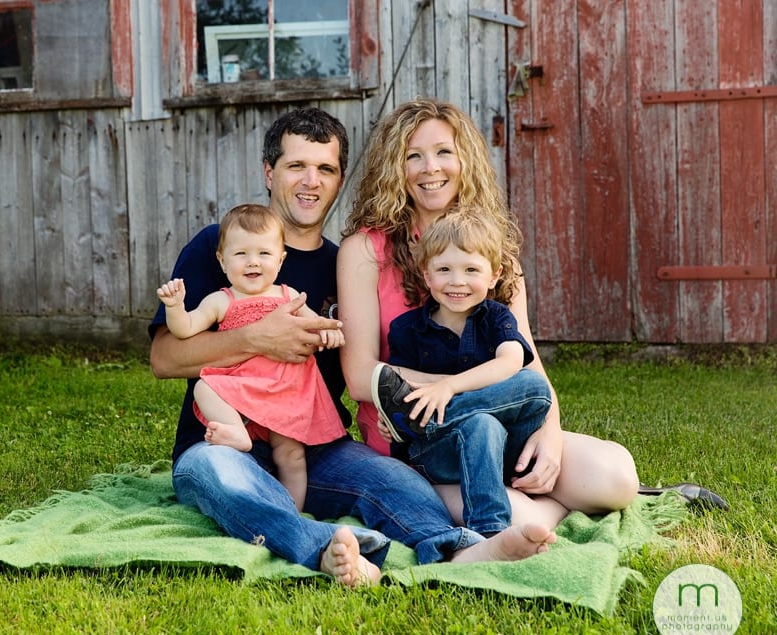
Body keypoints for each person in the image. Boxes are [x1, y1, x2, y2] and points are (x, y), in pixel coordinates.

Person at [148, 107, 558, 587]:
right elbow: (163, 359)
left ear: (340, 179)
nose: (311, 181)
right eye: (296, 166)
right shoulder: (226, 244)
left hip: (318, 446)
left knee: (398, 483)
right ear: (269, 172)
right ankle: (322, 548)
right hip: (223, 441)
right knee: (218, 476)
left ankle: (458, 551)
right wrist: (255, 338)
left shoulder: (342, 262)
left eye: (325, 169)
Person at [337, 98, 736, 529]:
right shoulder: (365, 250)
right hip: (425, 441)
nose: (430, 167)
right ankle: (556, 513)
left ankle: (607, 498)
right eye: (413, 156)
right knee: (518, 518)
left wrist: (549, 430)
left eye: (443, 152)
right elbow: (362, 377)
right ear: (395, 168)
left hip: (506, 426)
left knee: (616, 476)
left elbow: (523, 356)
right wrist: (455, 391)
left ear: (465, 160)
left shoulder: (494, 252)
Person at [371, 206, 553, 536]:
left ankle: (419, 423)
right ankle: (491, 532)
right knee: (482, 422)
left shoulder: (497, 317)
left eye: (471, 269)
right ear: (426, 275)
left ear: (494, 275)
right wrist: (392, 418)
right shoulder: (406, 329)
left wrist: (448, 389)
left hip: (504, 449)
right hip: (438, 452)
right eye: (444, 269)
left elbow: (511, 361)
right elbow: (397, 388)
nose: (457, 282)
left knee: (533, 385)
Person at [156, 203, 347, 511]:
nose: (252, 262)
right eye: (241, 254)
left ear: (281, 259)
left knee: (292, 457)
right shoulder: (222, 299)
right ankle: (236, 431)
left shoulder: (289, 296)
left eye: (264, 254)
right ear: (222, 259)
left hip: (285, 392)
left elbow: (315, 328)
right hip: (243, 391)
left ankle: (292, 513)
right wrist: (176, 307)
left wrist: (329, 334)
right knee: (205, 386)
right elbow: (185, 329)